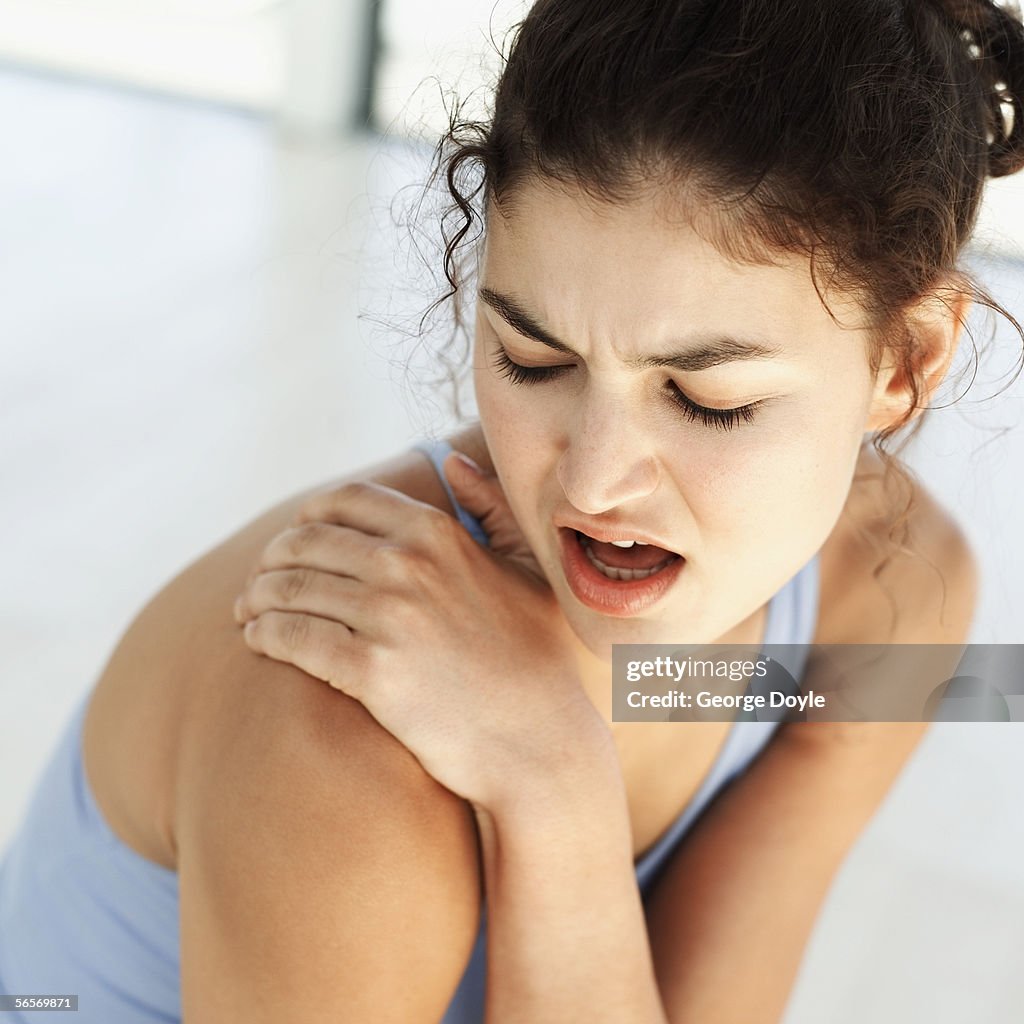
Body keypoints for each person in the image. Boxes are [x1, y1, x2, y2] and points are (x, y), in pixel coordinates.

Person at [1, 0, 1022, 1020]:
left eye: (710, 400)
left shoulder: (886, 603)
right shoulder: (338, 730)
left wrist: (550, 771)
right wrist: (552, 778)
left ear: (909, 360)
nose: (591, 485)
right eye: (535, 361)